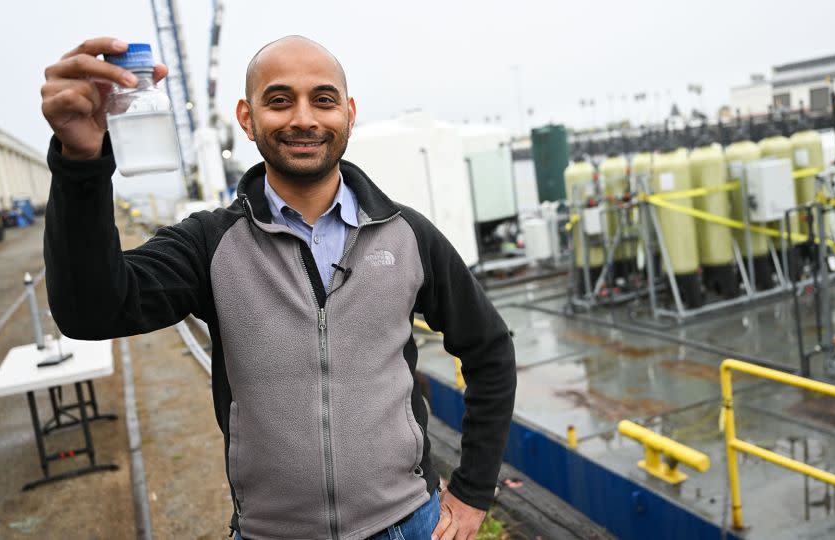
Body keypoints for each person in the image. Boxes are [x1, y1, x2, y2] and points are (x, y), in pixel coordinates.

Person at [40, 36, 516, 540]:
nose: (305, 119)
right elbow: (90, 312)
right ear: (247, 118)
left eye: (324, 100)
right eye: (280, 100)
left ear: (349, 114)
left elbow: (489, 350)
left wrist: (473, 491)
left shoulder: (407, 234)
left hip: (408, 526)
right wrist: (80, 160)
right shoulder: (209, 244)